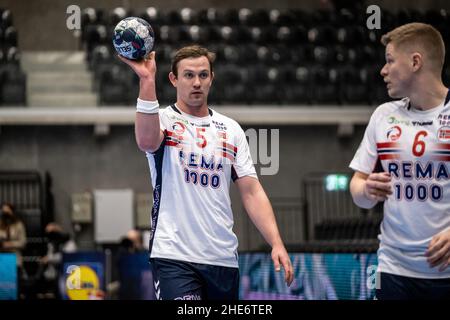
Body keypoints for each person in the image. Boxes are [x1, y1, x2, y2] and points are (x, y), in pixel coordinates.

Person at [118, 45, 293, 300]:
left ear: (212, 78)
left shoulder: (231, 129)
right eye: (188, 75)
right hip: (174, 255)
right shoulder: (163, 120)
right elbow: (145, 141)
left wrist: (276, 242)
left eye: (203, 75)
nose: (196, 82)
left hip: (222, 258)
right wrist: (146, 79)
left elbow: (252, 192)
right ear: (174, 79)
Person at [349, 23, 450, 299]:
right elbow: (357, 188)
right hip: (393, 269)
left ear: (415, 62)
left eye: (390, 61)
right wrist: (367, 190)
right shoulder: (383, 116)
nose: (383, 70)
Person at [37, 222, 77, 299]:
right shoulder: (52, 243)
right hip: (55, 274)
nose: (50, 235)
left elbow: (66, 256)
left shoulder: (68, 242)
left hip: (68, 273)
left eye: (52, 232)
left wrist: (49, 259)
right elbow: (50, 255)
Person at [0, 203, 27, 268]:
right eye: (4, 211)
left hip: (14, 256)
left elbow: (23, 242)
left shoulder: (19, 225)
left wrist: (11, 244)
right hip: (1, 257)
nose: (5, 212)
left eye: (7, 210)